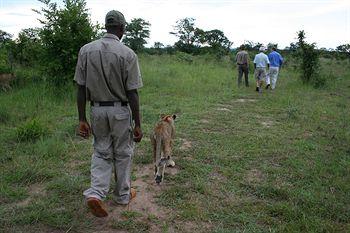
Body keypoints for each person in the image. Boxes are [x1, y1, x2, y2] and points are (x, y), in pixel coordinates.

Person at [74, 10, 143, 217]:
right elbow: (132, 92)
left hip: (96, 110)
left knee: (101, 152)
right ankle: (122, 195)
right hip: (120, 111)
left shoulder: (85, 50)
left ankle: (95, 194)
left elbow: (80, 87)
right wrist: (138, 123)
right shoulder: (128, 53)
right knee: (123, 153)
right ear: (122, 28)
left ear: (106, 26)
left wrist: (81, 118)